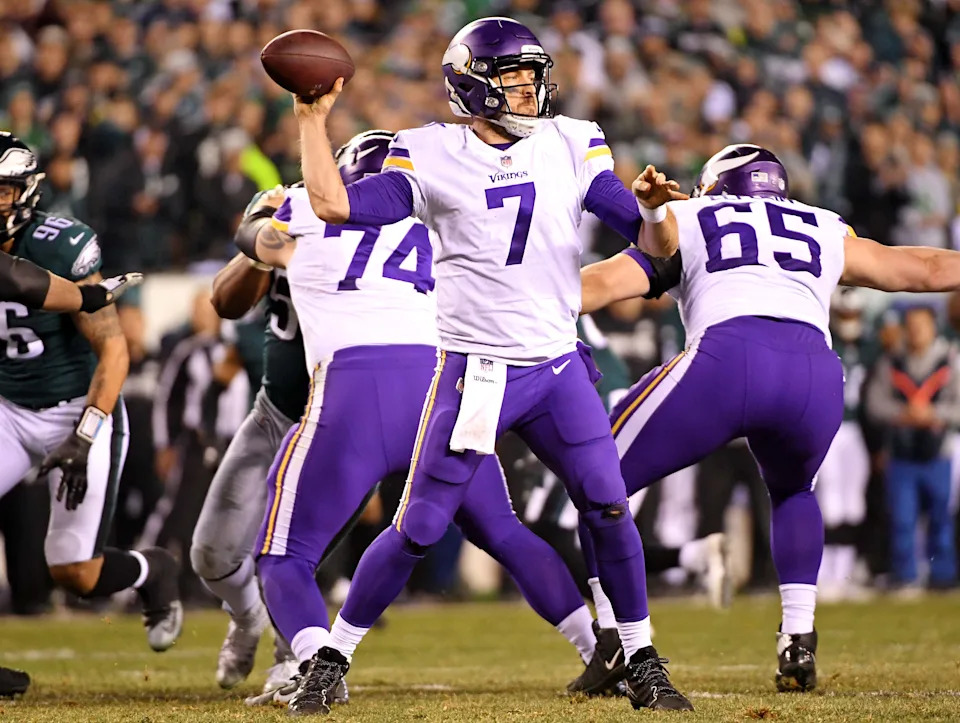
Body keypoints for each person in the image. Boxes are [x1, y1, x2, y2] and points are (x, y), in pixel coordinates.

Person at [283, 17, 692, 713]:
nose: (531, 92)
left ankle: (641, 653)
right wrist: (312, 120)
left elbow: (651, 242)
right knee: (418, 526)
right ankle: (331, 656)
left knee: (608, 502)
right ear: (473, 88)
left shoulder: (574, 140)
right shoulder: (430, 152)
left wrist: (653, 210)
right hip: (479, 372)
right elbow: (335, 203)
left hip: (558, 367)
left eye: (535, 77)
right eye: (513, 79)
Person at [238, 129, 621, 713]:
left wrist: (271, 208)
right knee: (502, 529)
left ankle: (318, 663)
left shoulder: (307, 208)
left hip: (354, 389)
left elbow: (254, 243)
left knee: (284, 554)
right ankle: (597, 645)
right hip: (444, 380)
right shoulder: (446, 210)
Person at [577, 142, 960, 694]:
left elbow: (605, 285)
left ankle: (616, 640)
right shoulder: (823, 224)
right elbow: (919, 269)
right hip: (814, 376)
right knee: (793, 491)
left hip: (728, 360)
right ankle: (798, 638)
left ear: (714, 185)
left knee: (597, 478)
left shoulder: (692, 213)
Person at [0, 132, 181, 659]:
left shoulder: (59, 244)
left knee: (75, 573)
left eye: (1, 190)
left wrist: (85, 433)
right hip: (9, 406)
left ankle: (153, 569)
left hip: (75, 408)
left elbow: (113, 349)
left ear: (26, 193)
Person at [189, 189, 309, 693]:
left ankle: (295, 657)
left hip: (347, 421)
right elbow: (225, 301)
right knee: (210, 555)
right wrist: (264, 237)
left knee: (295, 553)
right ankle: (247, 616)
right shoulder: (297, 210)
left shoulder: (402, 227)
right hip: (275, 412)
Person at [866, 304, 959, 591]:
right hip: (902, 453)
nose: (917, 331)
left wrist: (933, 414)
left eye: (923, 325)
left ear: (934, 327)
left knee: (941, 517)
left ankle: (942, 577)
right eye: (912, 325)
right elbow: (874, 405)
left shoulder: (950, 359)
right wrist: (904, 413)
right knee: (903, 519)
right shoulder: (891, 361)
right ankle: (905, 576)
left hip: (938, 452)